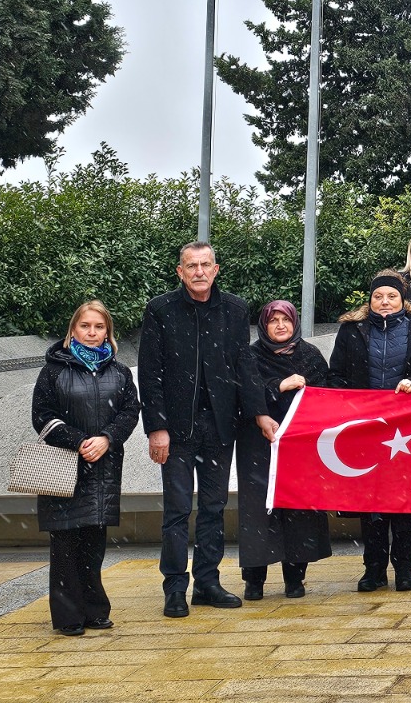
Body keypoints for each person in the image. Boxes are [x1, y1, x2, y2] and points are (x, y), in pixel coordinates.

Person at [138, 241, 250, 617]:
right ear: (180, 272)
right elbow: (150, 375)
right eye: (191, 266)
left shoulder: (235, 310)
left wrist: (258, 415)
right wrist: (157, 428)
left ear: (216, 269)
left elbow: (243, 368)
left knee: (214, 508)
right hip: (176, 429)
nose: (199, 272)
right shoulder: (160, 310)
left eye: (205, 265)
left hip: (219, 427)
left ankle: (207, 583)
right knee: (176, 510)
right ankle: (174, 587)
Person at [329, 270, 411, 591]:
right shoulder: (351, 331)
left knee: (405, 502)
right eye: (378, 296)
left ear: (402, 300)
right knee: (372, 506)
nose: (384, 302)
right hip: (367, 432)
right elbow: (336, 375)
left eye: (391, 296)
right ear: (369, 301)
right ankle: (374, 570)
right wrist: (354, 403)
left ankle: (405, 569)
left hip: (408, 433)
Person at [32, 301, 140, 636]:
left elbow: (129, 411)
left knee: (94, 541)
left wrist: (107, 438)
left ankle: (95, 609)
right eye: (85, 326)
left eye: (99, 327)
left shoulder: (119, 372)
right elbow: (42, 415)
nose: (92, 333)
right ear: (73, 329)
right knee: (65, 543)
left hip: (104, 468)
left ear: (107, 330)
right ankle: (67, 616)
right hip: (65, 467)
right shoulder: (53, 370)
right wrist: (79, 440)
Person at [236, 300, 331, 600]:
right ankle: (254, 580)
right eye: (273, 320)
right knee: (259, 510)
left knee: (297, 510)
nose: (280, 326)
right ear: (263, 325)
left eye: (286, 320)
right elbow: (241, 396)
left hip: (300, 448)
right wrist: (279, 386)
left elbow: (327, 398)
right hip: (259, 446)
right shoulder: (250, 356)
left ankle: (295, 577)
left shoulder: (310, 356)